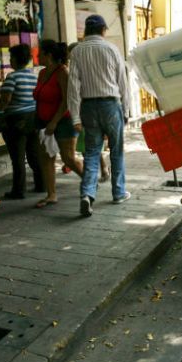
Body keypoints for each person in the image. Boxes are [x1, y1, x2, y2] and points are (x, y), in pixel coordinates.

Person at [68, 14, 132, 217]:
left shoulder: (77, 51)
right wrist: (127, 111)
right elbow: (123, 83)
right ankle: (119, 192)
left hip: (88, 107)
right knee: (116, 151)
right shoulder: (112, 49)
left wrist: (76, 118)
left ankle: (87, 194)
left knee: (92, 153)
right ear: (103, 29)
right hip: (111, 105)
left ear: (86, 31)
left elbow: (73, 87)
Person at [33, 40, 84, 208]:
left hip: (63, 121)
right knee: (46, 157)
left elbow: (66, 100)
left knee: (68, 158)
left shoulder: (63, 72)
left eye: (40, 54)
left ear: (49, 55)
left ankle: (88, 180)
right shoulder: (42, 73)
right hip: (43, 121)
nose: (37, 56)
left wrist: (54, 122)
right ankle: (51, 195)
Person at [0, 44, 44, 199]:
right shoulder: (33, 76)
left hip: (16, 121)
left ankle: (18, 190)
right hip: (32, 118)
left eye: (11, 58)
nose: (10, 60)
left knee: (17, 157)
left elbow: (5, 100)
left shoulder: (12, 77)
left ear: (16, 59)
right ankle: (41, 184)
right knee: (34, 154)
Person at [67, 42, 110, 183]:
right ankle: (102, 169)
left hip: (85, 112)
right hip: (86, 111)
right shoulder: (87, 69)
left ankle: (97, 173)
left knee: (89, 146)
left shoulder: (76, 71)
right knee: (89, 145)